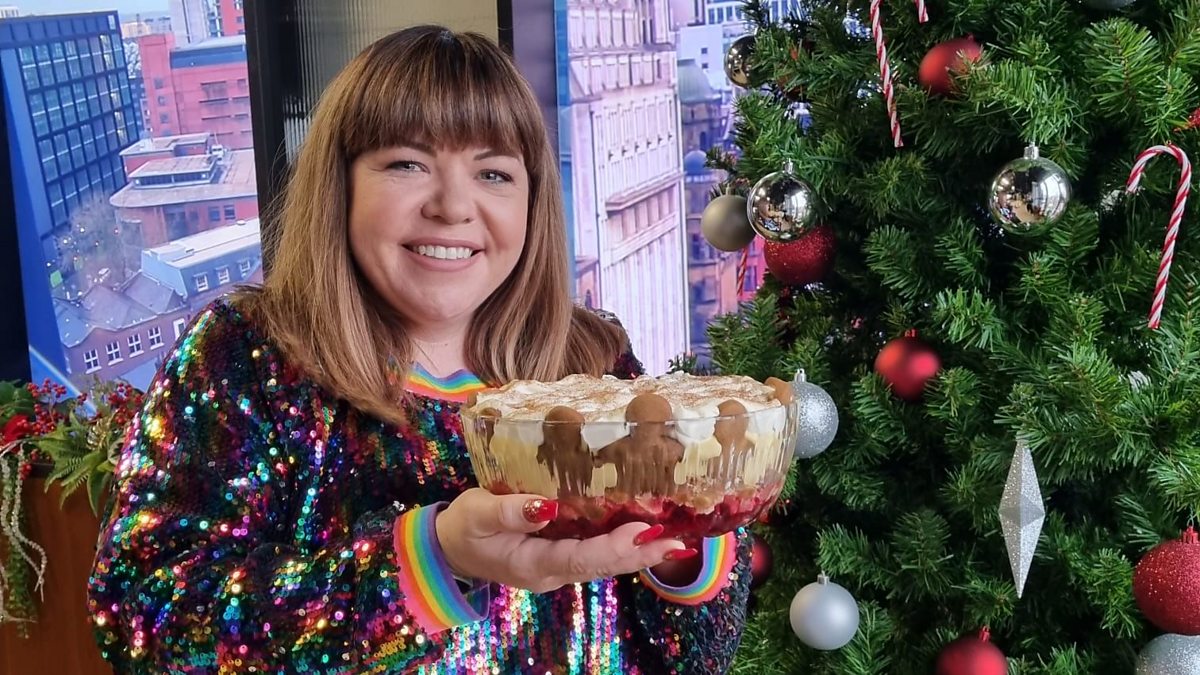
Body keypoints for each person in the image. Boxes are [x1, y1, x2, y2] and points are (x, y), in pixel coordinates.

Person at [87, 25, 751, 674]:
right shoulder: (246, 358)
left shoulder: (593, 361)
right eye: (407, 163)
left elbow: (701, 650)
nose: (453, 206)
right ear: (340, 184)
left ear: (532, 200)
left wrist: (679, 549)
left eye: (493, 173)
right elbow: (140, 618)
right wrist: (435, 557)